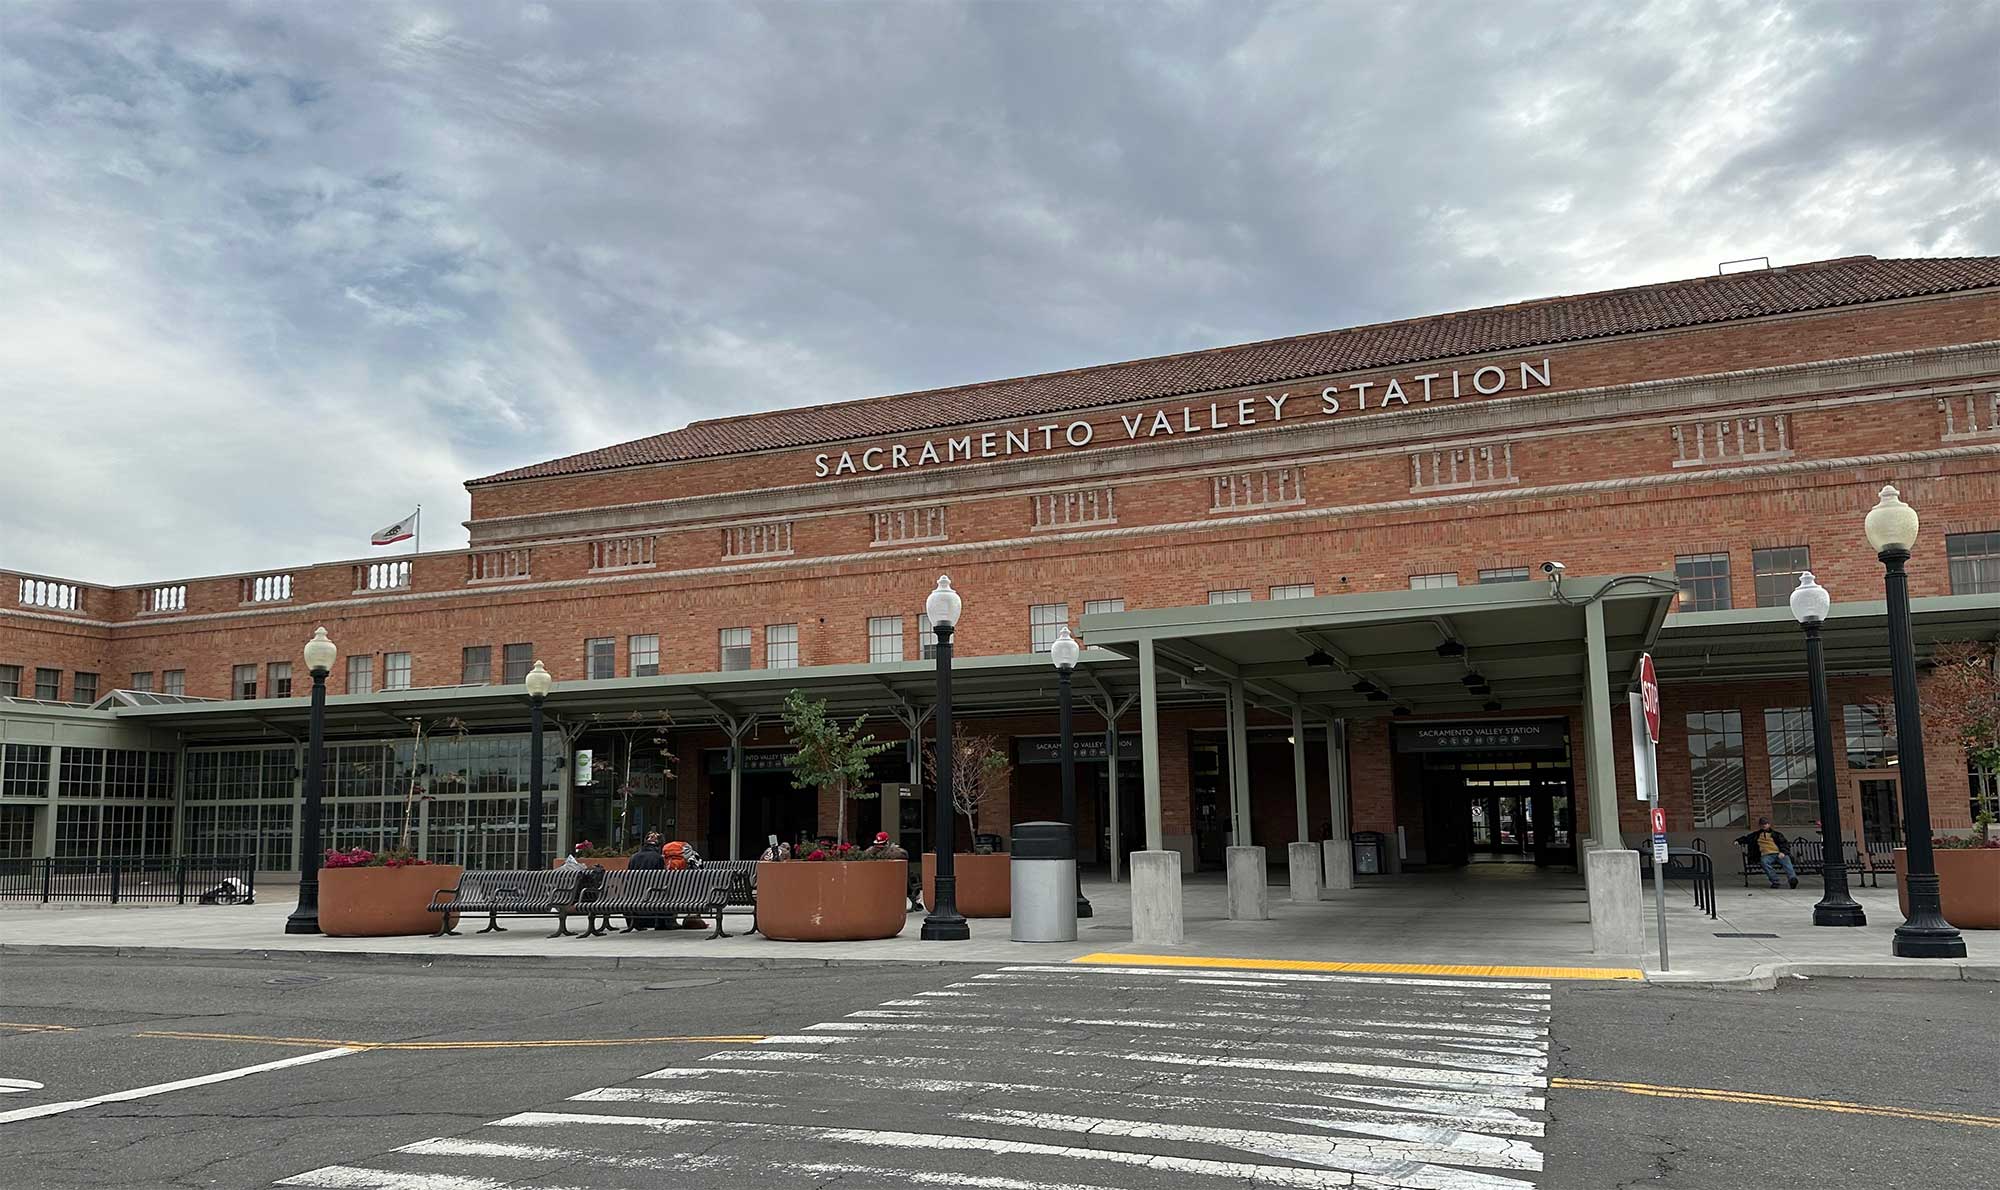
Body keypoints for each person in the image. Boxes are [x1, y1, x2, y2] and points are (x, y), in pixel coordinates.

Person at [1737, 818, 1798, 888]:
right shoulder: (1756, 835)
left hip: (1778, 853)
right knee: (1764, 862)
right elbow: (1746, 838)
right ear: (1760, 825)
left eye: (1765, 824)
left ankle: (1792, 879)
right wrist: (1738, 841)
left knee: (1787, 861)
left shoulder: (1776, 834)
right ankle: (1775, 881)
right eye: (1762, 824)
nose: (1764, 825)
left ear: (1769, 824)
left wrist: (1783, 852)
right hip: (1766, 855)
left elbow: (1784, 844)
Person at [624, 832, 668, 930]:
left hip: (633, 895)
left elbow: (629, 877)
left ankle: (634, 923)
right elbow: (661, 879)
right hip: (653, 894)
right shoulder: (658, 858)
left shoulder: (634, 857)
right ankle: (662, 923)